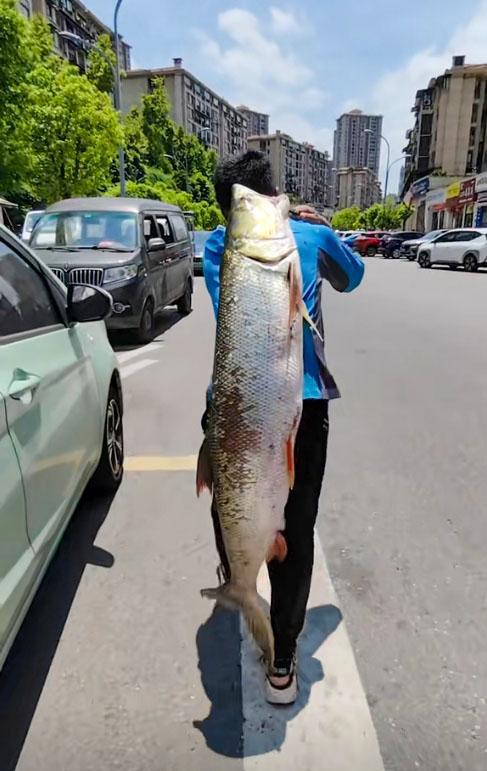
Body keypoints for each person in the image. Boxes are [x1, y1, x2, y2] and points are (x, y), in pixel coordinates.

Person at [202, 150, 364, 705]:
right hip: (303, 406)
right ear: (274, 194)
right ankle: (284, 663)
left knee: (236, 505)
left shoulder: (216, 247)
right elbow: (355, 277)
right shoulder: (310, 240)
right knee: (295, 530)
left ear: (226, 206)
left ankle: (239, 581)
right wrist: (323, 227)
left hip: (233, 403)